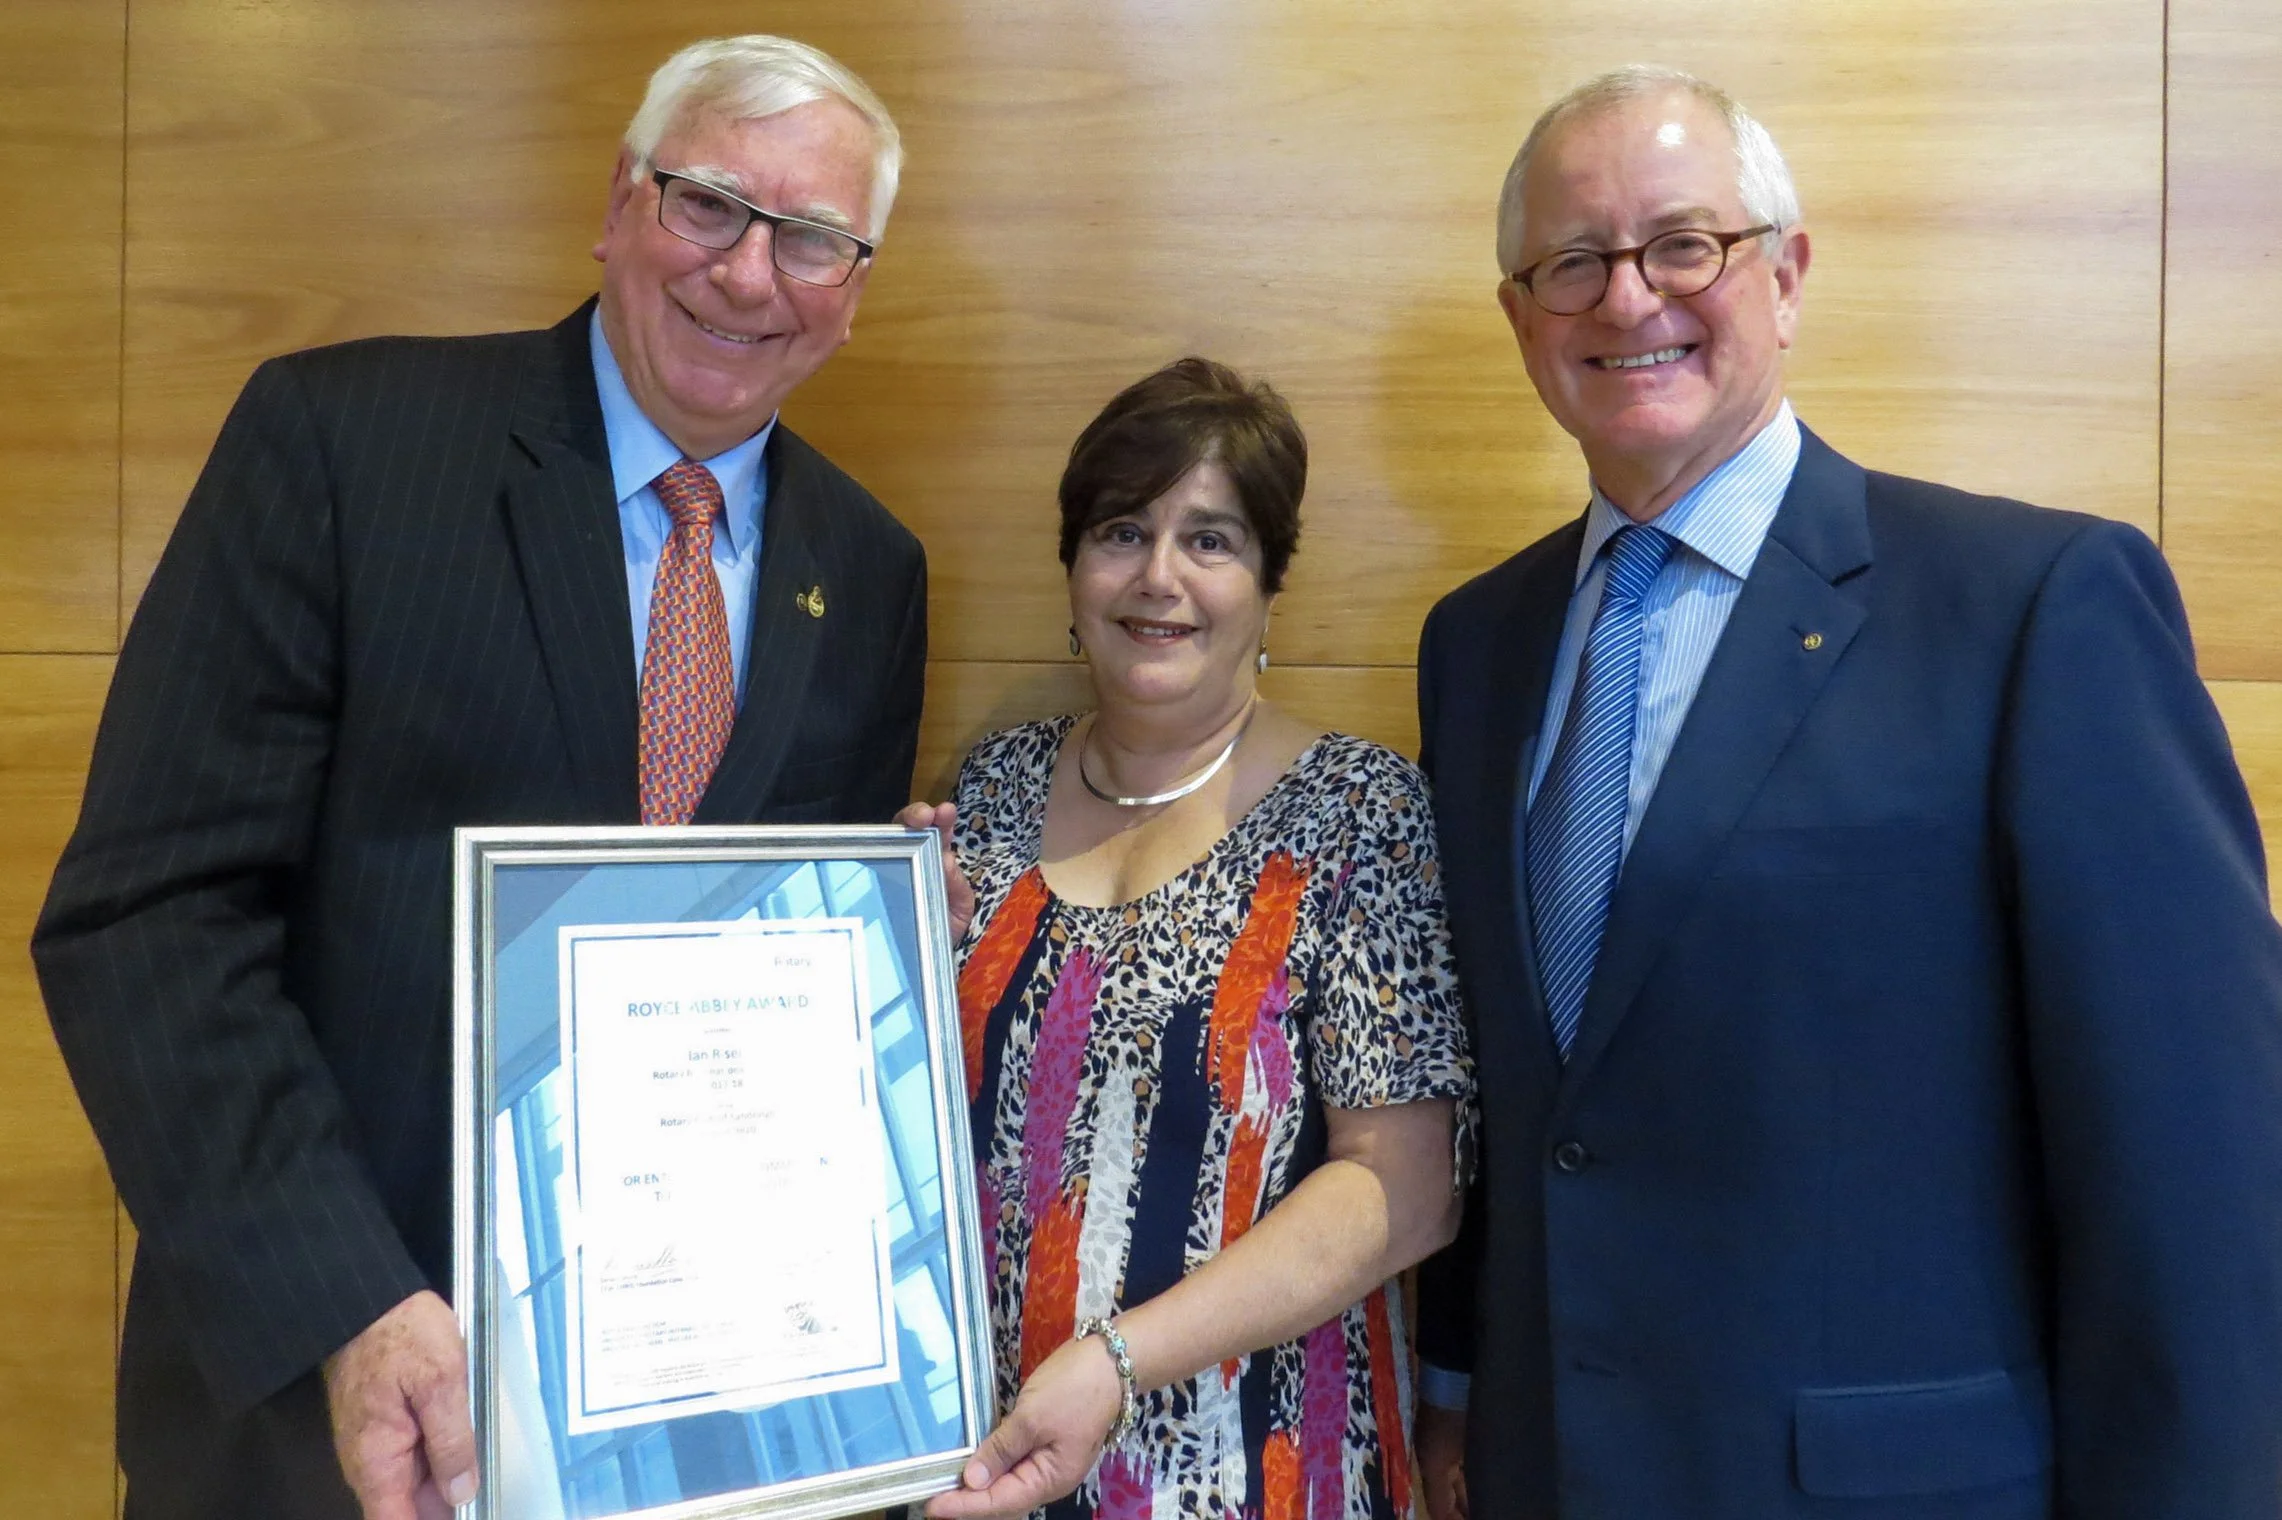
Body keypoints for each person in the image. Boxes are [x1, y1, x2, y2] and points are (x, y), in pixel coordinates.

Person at [31, 35, 927, 1520]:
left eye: (811, 238)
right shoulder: (345, 444)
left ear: (854, 289)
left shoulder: (871, 572)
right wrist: (345, 1305)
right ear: (620, 202)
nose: (748, 273)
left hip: (676, 1435)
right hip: (318, 1425)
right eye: (709, 204)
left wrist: (876, 936)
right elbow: (148, 918)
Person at [1409, 64, 2282, 1519]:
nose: (1626, 297)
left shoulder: (2032, 608)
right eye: (1571, 262)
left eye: (1682, 244)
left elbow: (2193, 1166)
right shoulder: (1475, 645)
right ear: (1519, 317)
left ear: (1786, 276)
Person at [897, 357, 1472, 1519]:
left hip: (1255, 1466)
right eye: (1121, 530)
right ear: (1072, 569)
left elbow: (1405, 1188)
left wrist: (1116, 1361)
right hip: (990, 1463)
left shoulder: (1357, 812)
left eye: (1209, 539)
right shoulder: (994, 784)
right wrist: (892, 955)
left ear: (1268, 583)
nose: (1158, 575)